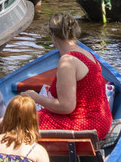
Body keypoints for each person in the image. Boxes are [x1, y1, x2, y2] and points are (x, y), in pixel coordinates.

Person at [18, 13, 114, 141]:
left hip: (86, 127)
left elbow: (66, 107)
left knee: (18, 121)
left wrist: (35, 97)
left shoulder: (67, 61)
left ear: (53, 35)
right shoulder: (88, 54)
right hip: (102, 121)